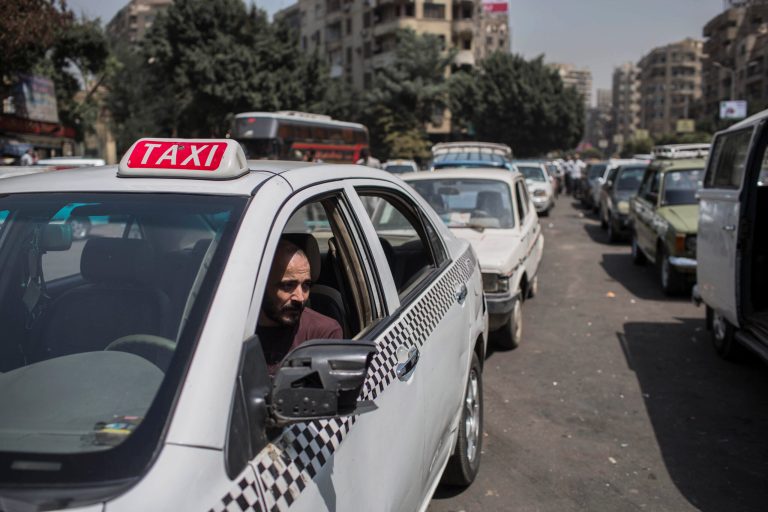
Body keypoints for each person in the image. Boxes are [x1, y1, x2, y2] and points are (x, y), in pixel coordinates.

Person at [257, 238, 343, 374]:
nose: (300, 297)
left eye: (306, 285)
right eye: (288, 285)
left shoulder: (322, 334)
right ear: (260, 286)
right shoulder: (231, 332)